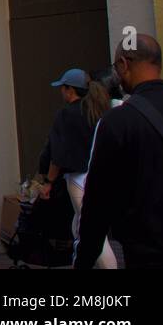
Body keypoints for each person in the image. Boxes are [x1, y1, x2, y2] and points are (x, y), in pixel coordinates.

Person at [75, 34, 163, 269]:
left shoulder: (117, 122)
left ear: (123, 64)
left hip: (149, 257)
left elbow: (97, 203)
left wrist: (84, 260)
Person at [35, 66, 115, 267]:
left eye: (62, 88)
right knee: (79, 226)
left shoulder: (66, 115)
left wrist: (48, 182)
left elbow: (56, 155)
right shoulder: (98, 110)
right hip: (102, 176)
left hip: (79, 179)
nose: (61, 91)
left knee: (91, 232)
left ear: (70, 90)